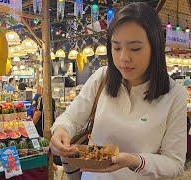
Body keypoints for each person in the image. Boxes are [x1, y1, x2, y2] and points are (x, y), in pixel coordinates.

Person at [50, 2, 187, 180]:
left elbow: (174, 163)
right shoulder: (102, 77)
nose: (123, 58)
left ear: (155, 47)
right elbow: (70, 118)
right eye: (116, 47)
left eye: (135, 48)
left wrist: (135, 161)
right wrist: (61, 130)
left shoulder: (174, 95)